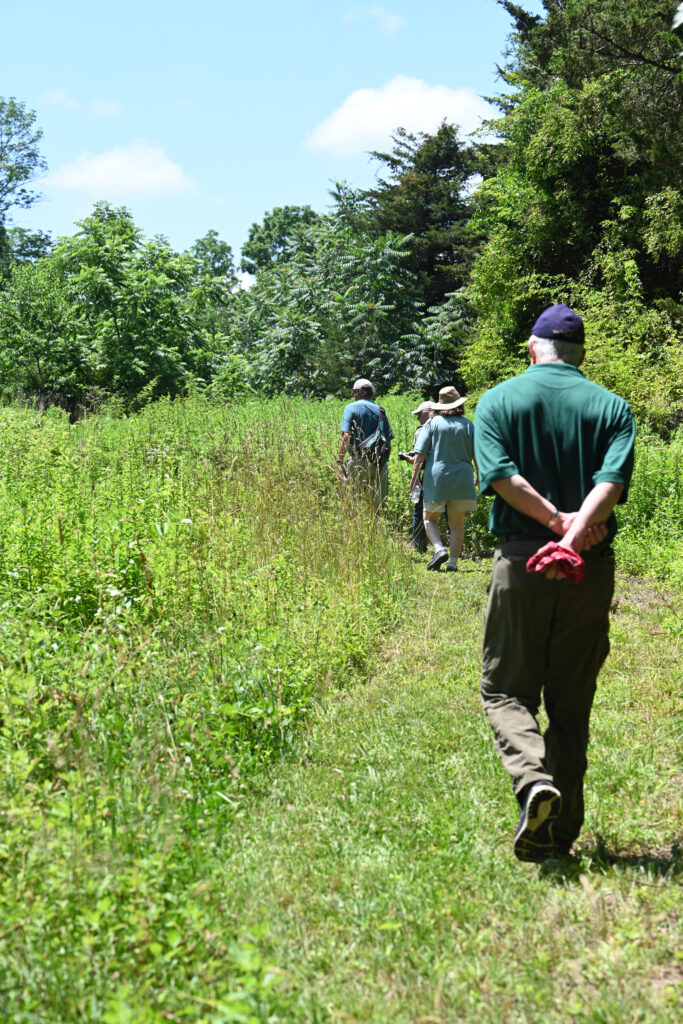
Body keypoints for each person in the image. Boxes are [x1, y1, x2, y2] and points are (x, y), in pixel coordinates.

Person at [473, 304, 635, 862]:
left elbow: (501, 477)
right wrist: (576, 531)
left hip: (521, 563)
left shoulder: (497, 401)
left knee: (504, 689)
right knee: (571, 701)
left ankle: (532, 780)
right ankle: (559, 833)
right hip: (588, 569)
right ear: (580, 353)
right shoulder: (612, 407)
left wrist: (554, 527)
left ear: (532, 348)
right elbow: (610, 482)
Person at [409, 385, 477, 572]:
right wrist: (479, 476)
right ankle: (453, 564)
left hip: (437, 478)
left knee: (429, 518)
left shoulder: (432, 423)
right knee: (457, 524)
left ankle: (439, 548)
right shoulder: (468, 424)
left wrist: (414, 478)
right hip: (463, 478)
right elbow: (476, 454)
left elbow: (420, 454)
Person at [338, 377, 394, 510]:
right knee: (377, 505)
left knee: (353, 501)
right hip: (379, 462)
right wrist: (382, 461)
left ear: (357, 392)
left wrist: (339, 462)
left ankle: (355, 529)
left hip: (358, 461)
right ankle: (376, 529)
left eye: (354, 393)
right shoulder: (380, 410)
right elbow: (388, 440)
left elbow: (346, 436)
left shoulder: (350, 408)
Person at [403, 400, 435, 552]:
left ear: (426, 413)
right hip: (446, 474)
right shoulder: (445, 427)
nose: (417, 419)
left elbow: (419, 458)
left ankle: (419, 545)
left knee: (419, 510)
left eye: (418, 415)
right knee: (448, 511)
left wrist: (410, 460)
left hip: (426, 475)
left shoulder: (422, 430)